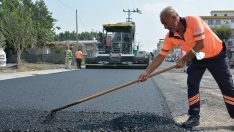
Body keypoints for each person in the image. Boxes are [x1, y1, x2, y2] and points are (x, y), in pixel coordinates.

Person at [138, 6, 234, 128]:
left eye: (165, 23)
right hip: (198, 57)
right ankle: (194, 117)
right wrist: (147, 72)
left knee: (227, 86)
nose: (165, 27)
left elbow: (200, 44)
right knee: (192, 83)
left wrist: (183, 60)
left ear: (174, 18)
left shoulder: (194, 20)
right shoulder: (170, 36)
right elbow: (161, 56)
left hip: (216, 55)